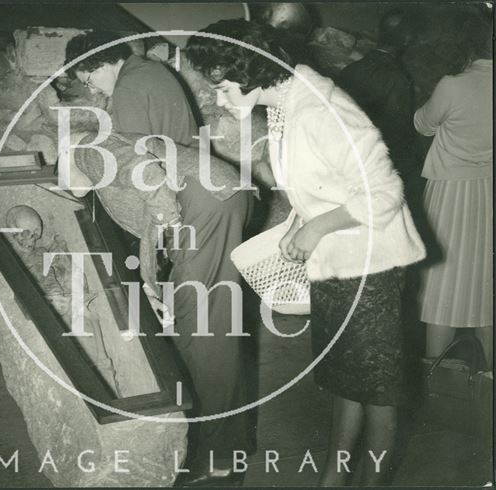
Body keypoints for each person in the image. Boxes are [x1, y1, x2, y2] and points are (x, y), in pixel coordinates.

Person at [186, 19, 426, 485]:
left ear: (251, 70)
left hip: (371, 263)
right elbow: (305, 173)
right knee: (344, 379)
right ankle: (333, 480)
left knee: (378, 391)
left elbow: (385, 191)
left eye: (221, 85)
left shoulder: (321, 109)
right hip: (339, 263)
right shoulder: (285, 102)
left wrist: (316, 227)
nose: (217, 97)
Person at [63, 129, 256, 486]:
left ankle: (220, 460)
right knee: (208, 328)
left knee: (203, 336)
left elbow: (150, 181)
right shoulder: (105, 144)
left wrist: (172, 227)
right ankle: (227, 447)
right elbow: (150, 224)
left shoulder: (86, 148)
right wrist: (153, 285)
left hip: (205, 205)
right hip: (216, 199)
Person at [414, 9, 493, 366]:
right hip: (488, 193)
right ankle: (488, 386)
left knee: (442, 289)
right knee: (485, 289)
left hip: (448, 194)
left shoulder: (453, 84)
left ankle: (438, 387)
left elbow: (422, 124)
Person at [337, 9, 422, 204]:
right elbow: (400, 131)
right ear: (407, 40)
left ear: (379, 33)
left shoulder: (351, 69)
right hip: (379, 164)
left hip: (350, 158)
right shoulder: (397, 78)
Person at [65, 31, 198, 146]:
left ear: (102, 65)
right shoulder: (152, 67)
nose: (92, 90)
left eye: (88, 82)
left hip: (179, 170)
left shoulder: (126, 88)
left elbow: (134, 154)